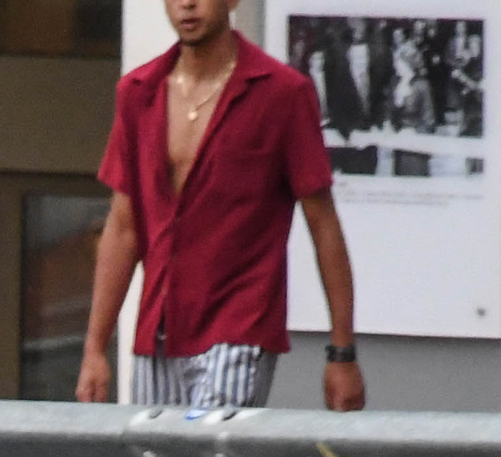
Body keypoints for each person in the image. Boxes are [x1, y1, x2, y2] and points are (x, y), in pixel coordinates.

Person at [78, 0, 365, 413]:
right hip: (158, 331)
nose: (187, 4)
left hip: (239, 326)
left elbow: (323, 224)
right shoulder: (139, 92)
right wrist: (94, 348)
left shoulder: (282, 93)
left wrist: (343, 352)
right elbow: (123, 227)